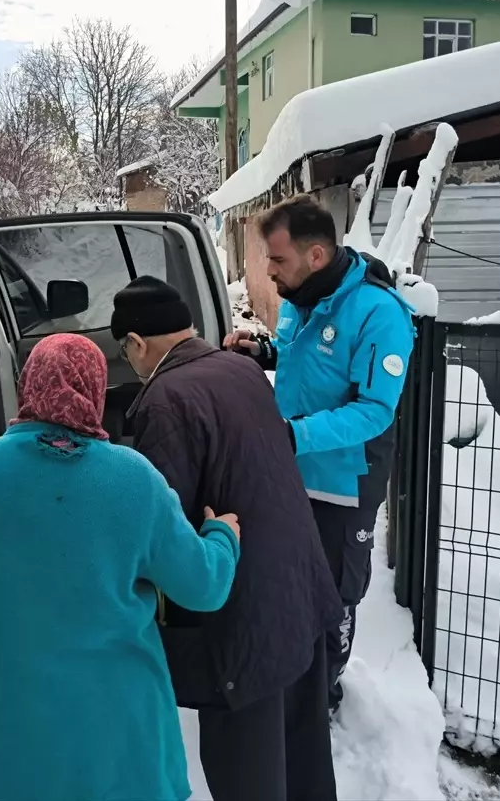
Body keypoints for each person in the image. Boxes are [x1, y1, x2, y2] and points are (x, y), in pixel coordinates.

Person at [0, 332, 241, 801]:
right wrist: (223, 535)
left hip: (12, 761)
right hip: (124, 757)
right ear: (97, 392)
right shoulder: (134, 479)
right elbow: (206, 586)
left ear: (29, 389)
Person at [113, 276, 342, 801]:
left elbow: (162, 529)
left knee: (249, 772)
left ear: (136, 343)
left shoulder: (164, 402)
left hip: (243, 618)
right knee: (303, 756)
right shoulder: (240, 367)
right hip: (297, 591)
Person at [224, 194, 415, 717]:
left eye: (277, 259)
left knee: (335, 596)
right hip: (293, 471)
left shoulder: (379, 314)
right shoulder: (302, 299)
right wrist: (265, 351)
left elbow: (374, 410)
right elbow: (307, 361)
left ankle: (323, 700)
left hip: (344, 481)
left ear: (315, 257)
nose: (268, 270)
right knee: (288, 581)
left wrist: (293, 436)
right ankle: (291, 676)